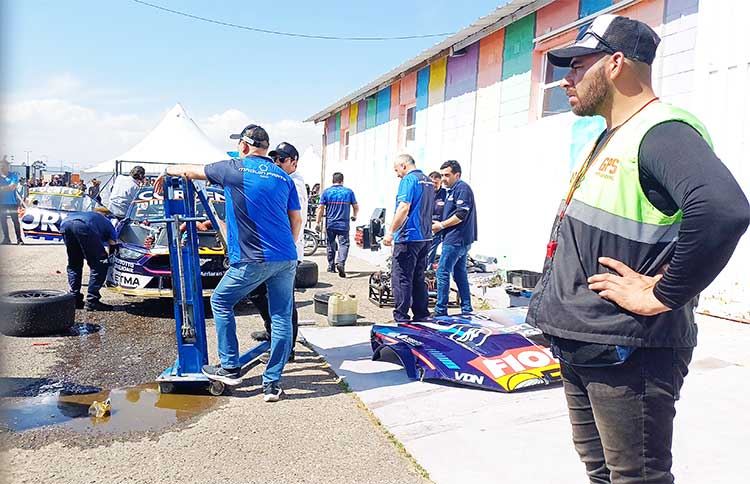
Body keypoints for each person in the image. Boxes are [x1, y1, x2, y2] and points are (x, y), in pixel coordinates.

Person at [525, 15, 750, 484]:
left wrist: (663, 294)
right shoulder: (615, 134)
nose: (565, 78)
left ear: (615, 63)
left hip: (630, 349)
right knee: (604, 474)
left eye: (576, 65)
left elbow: (723, 209)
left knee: (637, 479)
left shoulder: (661, 131)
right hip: (589, 341)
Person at [154, 124, 301, 403]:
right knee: (281, 317)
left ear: (244, 146)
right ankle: (272, 383)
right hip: (286, 257)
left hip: (253, 258)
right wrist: (286, 251)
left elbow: (191, 170)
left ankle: (230, 366)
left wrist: (167, 171)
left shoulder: (234, 168)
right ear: (266, 149)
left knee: (220, 301)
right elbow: (296, 220)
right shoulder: (283, 177)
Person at [249, 142, 306, 362]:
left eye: (281, 160)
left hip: (287, 252)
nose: (277, 163)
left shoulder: (294, 184)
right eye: (275, 159)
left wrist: (287, 250)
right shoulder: (280, 180)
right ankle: (272, 331)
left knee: (283, 302)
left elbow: (295, 220)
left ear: (294, 162)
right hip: (274, 251)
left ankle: (286, 349)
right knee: (259, 293)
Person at [382, 154, 435, 322]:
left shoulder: (408, 180)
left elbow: (404, 207)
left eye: (397, 170)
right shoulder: (428, 181)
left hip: (408, 236)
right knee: (418, 277)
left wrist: (390, 232)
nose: (397, 174)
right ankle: (421, 315)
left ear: (404, 166)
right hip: (425, 237)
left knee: (401, 277)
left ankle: (401, 317)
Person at [431, 160, 477, 317]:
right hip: (458, 239)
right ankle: (466, 309)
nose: (443, 178)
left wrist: (441, 225)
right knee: (459, 274)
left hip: (456, 239)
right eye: (442, 175)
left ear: (457, 175)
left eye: (447, 175)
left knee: (442, 271)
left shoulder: (462, 188)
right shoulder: (451, 189)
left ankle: (440, 311)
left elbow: (461, 214)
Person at [60, 208, 118, 311]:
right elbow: (112, 243)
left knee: (74, 263)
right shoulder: (107, 222)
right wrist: (110, 261)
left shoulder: (86, 214)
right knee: (100, 264)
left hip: (65, 224)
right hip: (85, 227)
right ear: (107, 215)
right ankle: (92, 300)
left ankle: (74, 298)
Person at [316, 172, 358, 277]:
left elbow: (320, 208)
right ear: (342, 181)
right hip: (343, 224)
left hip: (330, 224)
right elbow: (356, 206)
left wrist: (317, 222)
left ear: (332, 180)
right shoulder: (349, 192)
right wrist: (354, 216)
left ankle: (331, 266)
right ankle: (341, 262)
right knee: (344, 244)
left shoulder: (326, 192)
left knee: (330, 244)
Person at [0, 157, 23, 245]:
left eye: (5, 166)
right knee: (3, 221)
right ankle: (6, 238)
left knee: (15, 221)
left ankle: (19, 239)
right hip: (1, 203)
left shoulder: (13, 175)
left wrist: (2, 188)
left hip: (12, 202)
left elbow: (12, 187)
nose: (3, 167)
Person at [426, 171, 446, 269]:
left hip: (442, 227)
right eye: (431, 183)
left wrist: (441, 224)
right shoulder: (424, 194)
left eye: (436, 183)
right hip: (427, 228)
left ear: (441, 182)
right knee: (428, 252)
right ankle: (427, 271)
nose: (433, 185)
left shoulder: (445, 195)